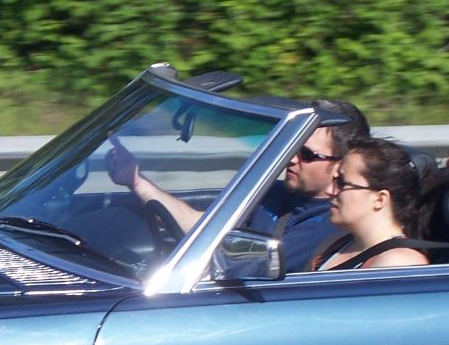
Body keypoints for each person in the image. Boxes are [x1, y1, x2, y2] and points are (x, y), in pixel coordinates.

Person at [107, 98, 369, 269]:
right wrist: (136, 181)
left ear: (341, 164)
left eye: (307, 154)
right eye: (293, 147)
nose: (291, 158)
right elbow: (206, 231)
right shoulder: (274, 193)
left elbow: (242, 267)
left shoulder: (331, 226)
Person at [311, 138, 435, 271]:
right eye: (334, 180)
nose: (330, 191)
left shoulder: (400, 261)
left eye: (341, 183)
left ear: (379, 199)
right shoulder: (332, 244)